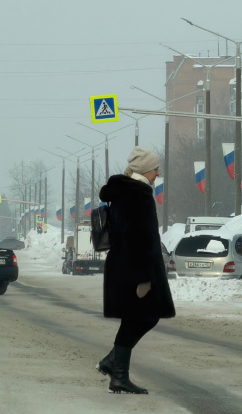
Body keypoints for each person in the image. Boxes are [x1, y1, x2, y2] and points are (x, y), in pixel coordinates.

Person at [96, 146, 175, 394]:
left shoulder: (126, 192)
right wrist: (143, 278)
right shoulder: (137, 195)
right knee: (143, 317)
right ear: (145, 170)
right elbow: (138, 238)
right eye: (155, 169)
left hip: (124, 266)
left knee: (137, 318)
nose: (157, 174)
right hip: (135, 269)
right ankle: (117, 372)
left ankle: (114, 367)